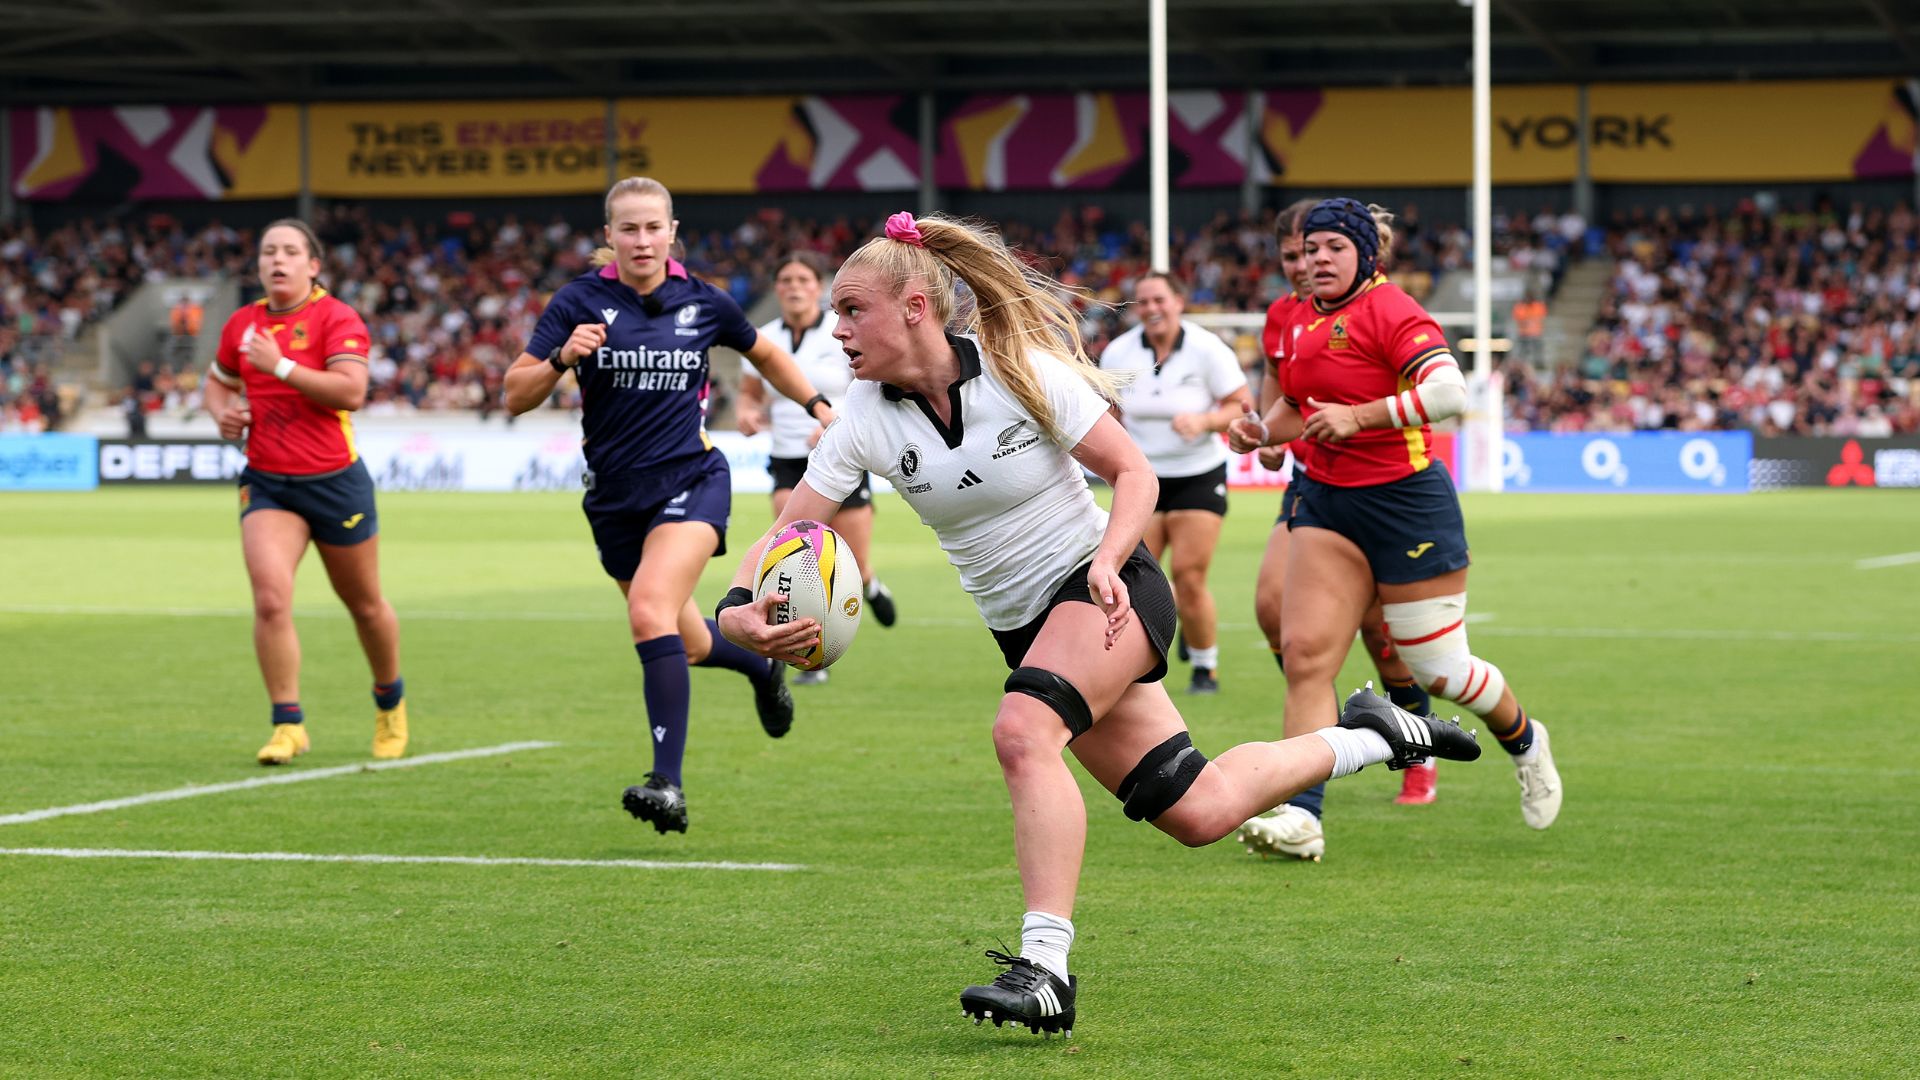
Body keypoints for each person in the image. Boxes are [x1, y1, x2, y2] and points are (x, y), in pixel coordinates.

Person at [716, 211, 1482, 1038]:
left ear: (914, 308)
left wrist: (1112, 557)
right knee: (1200, 810)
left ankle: (1045, 967)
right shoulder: (862, 416)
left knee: (1021, 731)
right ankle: (1378, 733)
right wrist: (735, 614)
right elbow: (786, 536)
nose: (837, 329)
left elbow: (1133, 473)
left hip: (1110, 591)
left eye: (851, 309)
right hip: (1031, 631)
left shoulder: (1019, 370)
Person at [504, 177, 832, 835]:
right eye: (629, 228)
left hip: (692, 480)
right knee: (681, 640)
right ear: (609, 237)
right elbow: (515, 393)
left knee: (648, 610)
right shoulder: (576, 303)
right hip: (614, 499)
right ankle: (759, 667)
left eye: (654, 227)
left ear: (672, 232)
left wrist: (820, 408)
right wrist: (561, 360)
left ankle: (668, 784)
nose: (643, 240)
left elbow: (765, 355)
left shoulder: (702, 302)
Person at [1229, 197, 1563, 833]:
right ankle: (1302, 816)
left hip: (1406, 504)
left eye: (1333, 249)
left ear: (1365, 255)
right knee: (1304, 655)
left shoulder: (1390, 309)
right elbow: (1296, 409)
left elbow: (1448, 392)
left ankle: (1524, 739)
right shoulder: (1296, 318)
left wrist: (1361, 416)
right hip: (1326, 502)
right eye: (1310, 249)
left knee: (1440, 669)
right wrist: (1261, 433)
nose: (1318, 260)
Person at [1239, 202, 1441, 862]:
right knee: (1278, 615)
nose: (1304, 267)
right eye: (1294, 257)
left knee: (1383, 638)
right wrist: (1265, 437)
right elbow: (1282, 406)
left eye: (1315, 254)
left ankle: (1412, 738)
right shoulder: (1283, 317)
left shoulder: (1369, 311)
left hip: (1381, 493)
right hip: (1314, 489)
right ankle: (1311, 778)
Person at [203, 218, 406, 766]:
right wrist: (225, 416)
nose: (278, 260)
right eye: (269, 251)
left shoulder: (336, 317)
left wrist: (282, 366)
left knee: (364, 605)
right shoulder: (242, 324)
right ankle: (288, 724)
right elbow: (217, 382)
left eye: (290, 251)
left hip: (335, 483)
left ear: (312, 265)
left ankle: (390, 701)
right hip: (269, 482)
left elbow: (352, 391)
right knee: (270, 599)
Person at [735, 250, 897, 686]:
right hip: (788, 459)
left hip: (842, 455)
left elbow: (871, 388)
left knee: (853, 566)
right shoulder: (764, 338)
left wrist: (833, 422)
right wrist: (747, 412)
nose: (793, 286)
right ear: (777, 288)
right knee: (792, 558)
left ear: (817, 286)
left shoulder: (842, 332)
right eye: (785, 279)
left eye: (802, 279)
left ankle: (872, 584)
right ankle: (807, 654)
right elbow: (750, 393)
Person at [1098, 271, 1252, 695]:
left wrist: (1205, 420)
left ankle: (1206, 668)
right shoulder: (1119, 351)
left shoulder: (1206, 348)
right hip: (1141, 479)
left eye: (1159, 300)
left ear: (1179, 302)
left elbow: (1241, 403)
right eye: (1143, 302)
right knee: (1136, 578)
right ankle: (1125, 668)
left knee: (1187, 574)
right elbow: (1110, 412)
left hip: (1198, 474)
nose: (1151, 309)